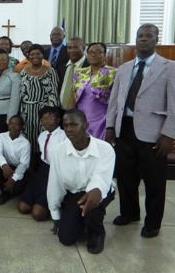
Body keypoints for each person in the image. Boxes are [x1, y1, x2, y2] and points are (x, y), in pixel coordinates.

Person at [106, 23, 175, 238]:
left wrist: (169, 135)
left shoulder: (169, 66)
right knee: (125, 177)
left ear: (156, 39)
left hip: (154, 133)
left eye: (148, 36)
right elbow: (115, 100)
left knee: (154, 180)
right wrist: (110, 125)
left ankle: (152, 223)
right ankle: (129, 213)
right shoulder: (123, 68)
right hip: (125, 130)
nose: (143, 39)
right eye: (140, 36)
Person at [48, 109, 115, 254]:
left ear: (85, 126)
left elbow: (101, 178)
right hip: (76, 193)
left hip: (100, 190)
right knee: (66, 238)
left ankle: (96, 232)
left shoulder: (105, 149)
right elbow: (55, 183)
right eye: (66, 125)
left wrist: (95, 191)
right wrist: (55, 214)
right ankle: (82, 219)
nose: (69, 129)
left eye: (74, 125)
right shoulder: (59, 151)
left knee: (92, 204)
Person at [18, 106, 66, 220]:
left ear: (58, 120)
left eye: (50, 118)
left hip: (56, 171)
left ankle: (54, 206)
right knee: (22, 208)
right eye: (43, 119)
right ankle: (38, 202)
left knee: (37, 214)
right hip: (43, 170)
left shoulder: (64, 136)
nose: (46, 121)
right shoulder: (42, 135)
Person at [20, 44, 61, 163]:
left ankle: (43, 167)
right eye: (32, 54)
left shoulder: (51, 72)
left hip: (44, 112)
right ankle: (29, 169)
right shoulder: (23, 72)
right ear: (28, 56)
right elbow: (21, 94)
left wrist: (52, 115)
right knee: (28, 141)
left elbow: (53, 94)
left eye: (38, 53)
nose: (35, 56)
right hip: (27, 112)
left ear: (43, 55)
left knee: (44, 141)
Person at [68, 43, 117, 140]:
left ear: (105, 55)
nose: (93, 55)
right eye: (90, 52)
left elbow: (117, 100)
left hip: (103, 120)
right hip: (81, 119)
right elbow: (73, 97)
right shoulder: (80, 73)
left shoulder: (113, 73)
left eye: (98, 52)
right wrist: (69, 117)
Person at [0, 115, 31, 205]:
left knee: (17, 191)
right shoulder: (1, 136)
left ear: (22, 127)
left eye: (17, 124)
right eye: (11, 123)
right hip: (6, 166)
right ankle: (5, 193)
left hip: (18, 168)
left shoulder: (25, 143)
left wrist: (13, 179)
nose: (13, 126)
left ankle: (15, 190)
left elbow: (24, 164)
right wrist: (4, 165)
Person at [0, 49, 21, 153]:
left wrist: (10, 120)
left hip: (6, 113)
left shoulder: (14, 76)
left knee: (5, 142)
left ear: (8, 61)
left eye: (3, 60)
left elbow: (15, 99)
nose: (0, 62)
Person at [58, 37, 90, 109]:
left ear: (84, 48)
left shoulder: (89, 67)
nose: (72, 50)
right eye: (69, 48)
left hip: (81, 112)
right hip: (61, 112)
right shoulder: (61, 68)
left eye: (75, 47)